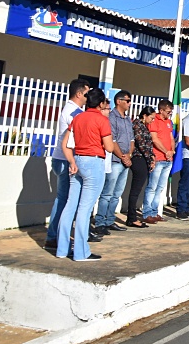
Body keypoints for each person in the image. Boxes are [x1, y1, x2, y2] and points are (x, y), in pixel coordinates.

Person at [56, 89, 113, 261]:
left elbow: (65, 144)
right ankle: (81, 252)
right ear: (102, 103)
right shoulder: (102, 120)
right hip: (94, 162)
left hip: (77, 161)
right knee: (85, 209)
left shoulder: (77, 117)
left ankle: (62, 249)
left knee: (70, 205)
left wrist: (72, 162)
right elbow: (109, 147)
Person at [45, 78, 89, 250]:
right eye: (86, 94)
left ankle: (56, 235)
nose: (87, 97)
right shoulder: (74, 112)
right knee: (64, 200)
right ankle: (54, 236)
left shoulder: (73, 110)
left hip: (63, 158)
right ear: (79, 94)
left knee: (64, 199)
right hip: (65, 159)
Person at [93, 90, 134, 235]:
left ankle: (110, 220)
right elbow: (112, 140)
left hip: (125, 161)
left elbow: (131, 140)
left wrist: (129, 155)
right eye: (127, 100)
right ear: (119, 101)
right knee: (107, 193)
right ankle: (100, 222)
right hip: (116, 160)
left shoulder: (127, 119)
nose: (129, 103)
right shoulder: (112, 117)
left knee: (117, 193)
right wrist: (123, 156)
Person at [144, 99, 174, 223]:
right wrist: (165, 151)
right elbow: (155, 139)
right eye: (168, 112)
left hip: (168, 159)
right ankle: (147, 213)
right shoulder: (154, 120)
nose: (169, 114)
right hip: (158, 158)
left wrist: (171, 150)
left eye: (170, 112)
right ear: (161, 110)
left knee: (160, 187)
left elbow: (172, 137)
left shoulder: (169, 122)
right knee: (152, 186)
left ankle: (155, 212)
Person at [125, 106, 155, 228]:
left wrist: (151, 157)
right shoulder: (137, 125)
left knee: (138, 189)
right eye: (151, 118)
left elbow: (148, 145)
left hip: (144, 158)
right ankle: (131, 218)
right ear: (144, 115)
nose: (152, 121)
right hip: (138, 158)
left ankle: (132, 217)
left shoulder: (144, 126)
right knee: (135, 190)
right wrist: (150, 159)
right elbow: (141, 144)